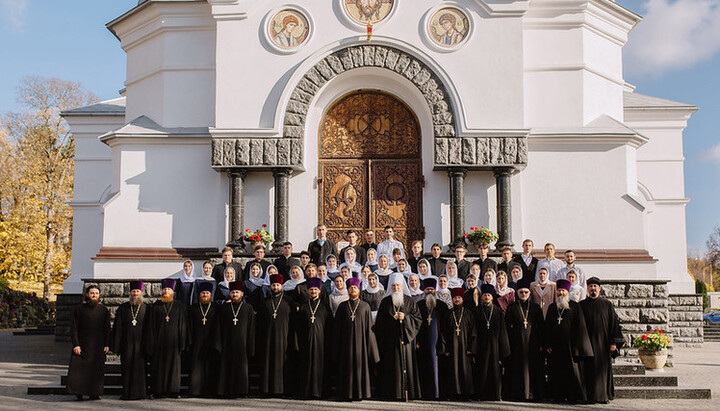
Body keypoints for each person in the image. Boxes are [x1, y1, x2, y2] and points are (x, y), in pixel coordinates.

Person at [543, 279, 594, 403]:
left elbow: (580, 327)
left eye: (563, 291)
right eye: (559, 290)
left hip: (571, 346)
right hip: (556, 347)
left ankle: (573, 396)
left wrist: (578, 346)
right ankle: (557, 395)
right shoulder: (552, 307)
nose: (561, 293)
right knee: (556, 372)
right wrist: (548, 344)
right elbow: (547, 327)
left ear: (568, 292)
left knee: (572, 372)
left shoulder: (575, 307)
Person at [374, 273, 422, 400]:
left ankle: (408, 393)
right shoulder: (385, 302)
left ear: (402, 286)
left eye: (398, 286)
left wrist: (405, 318)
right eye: (393, 286)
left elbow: (417, 319)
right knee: (391, 367)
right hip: (390, 343)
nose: (396, 288)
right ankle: (392, 394)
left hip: (406, 341)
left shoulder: (410, 301)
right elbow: (380, 323)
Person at [333, 277, 379, 400]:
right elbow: (337, 329)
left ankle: (360, 393)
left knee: (360, 367)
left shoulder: (365, 306)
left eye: (355, 287)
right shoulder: (342, 307)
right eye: (350, 288)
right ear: (347, 290)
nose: (353, 289)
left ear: (358, 290)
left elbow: (370, 329)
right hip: (345, 345)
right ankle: (345, 393)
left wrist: (372, 350)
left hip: (361, 345)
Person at [580, 277, 625, 404]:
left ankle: (603, 395)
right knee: (587, 370)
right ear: (587, 289)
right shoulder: (582, 305)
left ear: (599, 289)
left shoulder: (607, 304)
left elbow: (614, 325)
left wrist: (614, 343)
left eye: (595, 286)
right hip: (587, 344)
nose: (592, 289)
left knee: (602, 370)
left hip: (603, 344)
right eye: (590, 286)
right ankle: (589, 396)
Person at [68, 284, 111, 401]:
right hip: (82, 344)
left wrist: (107, 344)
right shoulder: (79, 309)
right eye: (92, 293)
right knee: (80, 371)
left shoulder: (104, 310)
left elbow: (107, 328)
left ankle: (95, 393)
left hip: (98, 346)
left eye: (96, 293)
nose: (94, 295)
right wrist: (76, 344)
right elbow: (74, 328)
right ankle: (79, 392)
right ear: (87, 295)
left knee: (96, 371)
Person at [504, 279, 545, 402]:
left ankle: (533, 394)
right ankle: (518, 394)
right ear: (517, 293)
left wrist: (541, 344)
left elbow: (541, 327)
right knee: (518, 369)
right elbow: (507, 327)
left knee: (533, 369)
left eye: (526, 292)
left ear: (529, 293)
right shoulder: (512, 307)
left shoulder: (536, 308)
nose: (523, 294)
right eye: (521, 292)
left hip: (533, 343)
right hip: (517, 344)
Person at [146, 278, 188, 398]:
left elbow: (183, 325)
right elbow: (151, 327)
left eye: (168, 289)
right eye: (164, 289)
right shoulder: (155, 307)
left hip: (174, 344)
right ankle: (158, 391)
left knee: (173, 369)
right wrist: (151, 343)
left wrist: (182, 342)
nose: (166, 291)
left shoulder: (179, 306)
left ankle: (173, 391)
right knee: (158, 368)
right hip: (158, 344)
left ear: (173, 292)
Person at [293, 277, 333, 399]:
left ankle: (320, 392)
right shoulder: (303, 307)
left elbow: (330, 327)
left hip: (321, 344)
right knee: (305, 366)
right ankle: (306, 392)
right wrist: (297, 344)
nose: (313, 292)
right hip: (306, 343)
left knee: (321, 368)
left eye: (315, 289)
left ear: (320, 290)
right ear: (308, 291)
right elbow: (297, 328)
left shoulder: (325, 308)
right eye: (311, 290)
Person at [217, 281, 255, 398]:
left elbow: (252, 329)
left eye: (237, 292)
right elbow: (219, 328)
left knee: (242, 369)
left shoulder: (248, 308)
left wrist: (251, 346)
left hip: (242, 345)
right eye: (232, 292)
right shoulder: (224, 308)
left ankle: (242, 391)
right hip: (227, 344)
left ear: (242, 294)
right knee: (226, 368)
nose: (234, 294)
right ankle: (226, 391)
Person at [257, 274, 294, 396]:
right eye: (273, 285)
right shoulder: (264, 302)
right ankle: (266, 390)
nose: (275, 287)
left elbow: (293, 321)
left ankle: (283, 390)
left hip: (284, 338)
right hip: (267, 339)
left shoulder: (289, 302)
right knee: (267, 363)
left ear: (281, 286)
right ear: (270, 286)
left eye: (278, 285)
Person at [472, 284, 510, 401]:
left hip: (495, 347)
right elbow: (473, 331)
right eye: (484, 295)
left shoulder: (498, 312)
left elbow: (503, 331)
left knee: (495, 370)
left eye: (488, 295)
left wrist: (504, 350)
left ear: (492, 297)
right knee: (481, 370)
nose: (487, 297)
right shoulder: (476, 311)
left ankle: (496, 395)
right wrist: (473, 347)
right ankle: (481, 395)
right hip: (481, 346)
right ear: (481, 297)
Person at [112, 281, 148, 400]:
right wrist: (117, 346)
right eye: (133, 291)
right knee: (126, 369)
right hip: (126, 345)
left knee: (141, 370)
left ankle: (141, 393)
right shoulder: (123, 308)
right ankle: (126, 393)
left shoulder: (147, 308)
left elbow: (150, 329)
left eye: (137, 291)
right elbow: (118, 328)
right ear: (130, 293)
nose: (135, 293)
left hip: (141, 345)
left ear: (141, 293)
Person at [437, 287, 475, 399]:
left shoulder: (468, 314)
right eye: (455, 298)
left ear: (462, 299)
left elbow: (473, 332)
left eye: (459, 298)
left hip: (465, 348)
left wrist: (471, 348)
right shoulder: (448, 314)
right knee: (452, 370)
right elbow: (443, 332)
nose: (457, 300)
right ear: (452, 299)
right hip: (451, 348)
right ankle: (453, 393)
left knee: (465, 369)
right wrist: (445, 349)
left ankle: (466, 393)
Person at [415, 277, 447, 399]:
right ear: (424, 290)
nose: (429, 292)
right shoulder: (419, 305)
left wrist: (443, 343)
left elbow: (445, 326)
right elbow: (416, 324)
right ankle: (424, 393)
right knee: (424, 367)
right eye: (427, 289)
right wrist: (417, 341)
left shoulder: (442, 306)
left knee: (438, 368)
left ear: (435, 290)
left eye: (432, 289)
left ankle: (438, 393)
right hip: (423, 343)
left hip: (438, 342)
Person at [187, 281, 220, 397]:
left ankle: (211, 391)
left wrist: (217, 343)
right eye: (203, 293)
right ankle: (195, 390)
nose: (205, 295)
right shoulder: (193, 309)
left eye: (207, 293)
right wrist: (190, 342)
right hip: (197, 343)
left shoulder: (216, 308)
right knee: (196, 368)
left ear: (211, 295)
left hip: (211, 342)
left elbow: (219, 327)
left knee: (211, 368)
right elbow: (189, 327)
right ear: (199, 295)